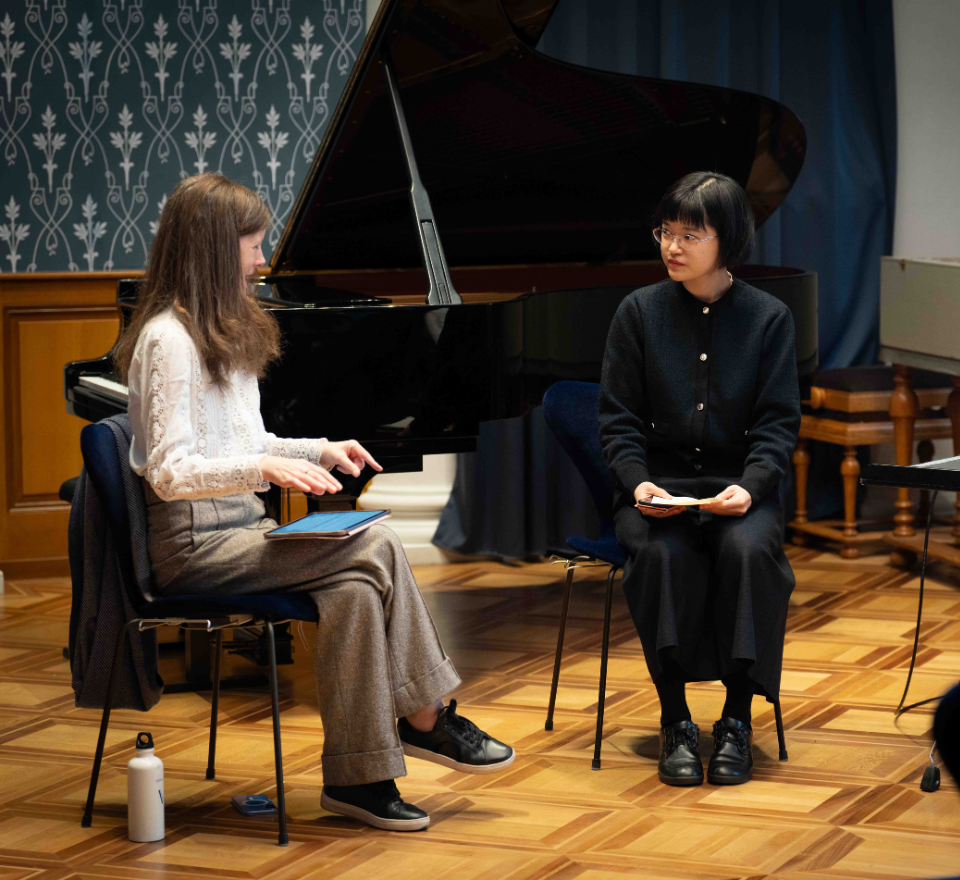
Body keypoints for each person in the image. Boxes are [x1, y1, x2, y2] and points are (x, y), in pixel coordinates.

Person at [114, 172, 514, 832]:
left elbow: (253, 442)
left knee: (353, 590)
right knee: (376, 538)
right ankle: (427, 715)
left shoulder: (224, 329)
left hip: (241, 528)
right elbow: (167, 473)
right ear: (213, 248)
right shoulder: (168, 340)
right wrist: (260, 467)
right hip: (191, 545)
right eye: (252, 245)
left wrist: (318, 449)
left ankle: (359, 781)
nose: (261, 260)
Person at [598, 171, 800, 787]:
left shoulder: (769, 318)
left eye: (691, 235)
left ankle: (737, 719)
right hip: (658, 488)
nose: (672, 246)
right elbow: (617, 421)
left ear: (727, 239)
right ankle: (676, 720)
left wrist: (753, 486)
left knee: (748, 552)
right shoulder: (638, 312)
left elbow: (778, 425)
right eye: (665, 231)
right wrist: (637, 484)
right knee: (662, 556)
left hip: (739, 487)